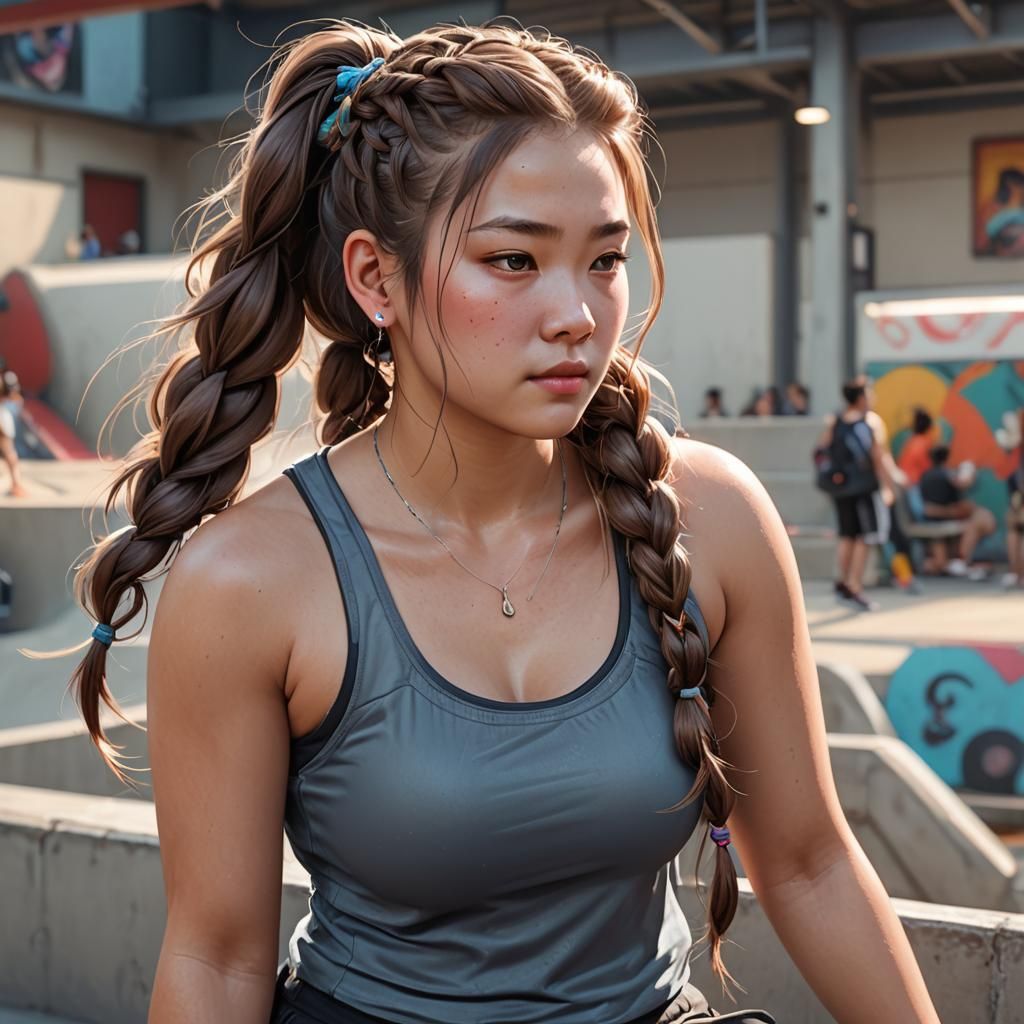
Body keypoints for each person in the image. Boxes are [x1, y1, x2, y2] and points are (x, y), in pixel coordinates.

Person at [64, 22, 940, 1024]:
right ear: (374, 278)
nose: (575, 312)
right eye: (514, 259)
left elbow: (811, 861)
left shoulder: (712, 519)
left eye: (604, 261)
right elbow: (215, 960)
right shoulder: (252, 581)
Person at [816, 377, 895, 611]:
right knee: (865, 536)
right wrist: (889, 486)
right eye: (869, 394)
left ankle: (841, 582)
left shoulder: (835, 421)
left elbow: (821, 450)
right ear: (861, 397)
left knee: (847, 535)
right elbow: (879, 457)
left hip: (841, 489)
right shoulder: (871, 423)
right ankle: (855, 586)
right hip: (865, 487)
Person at [919, 445, 996, 580]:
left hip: (937, 520)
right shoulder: (949, 476)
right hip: (942, 520)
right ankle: (958, 561)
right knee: (979, 520)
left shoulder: (925, 476)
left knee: (980, 518)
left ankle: (954, 563)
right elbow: (961, 491)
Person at [996, 407, 1024, 589]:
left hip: (1017, 494)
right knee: (1016, 529)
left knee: (1016, 529)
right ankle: (1017, 573)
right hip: (1018, 494)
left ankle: (1016, 573)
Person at [0, 370, 26, 497]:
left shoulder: (6, 378)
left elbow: (15, 397)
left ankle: (16, 485)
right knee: (10, 453)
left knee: (9, 453)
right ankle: (16, 484)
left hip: (3, 415)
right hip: (4, 415)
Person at [897, 408, 935, 487]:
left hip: (902, 477)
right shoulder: (925, 442)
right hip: (913, 482)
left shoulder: (911, 439)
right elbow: (926, 465)